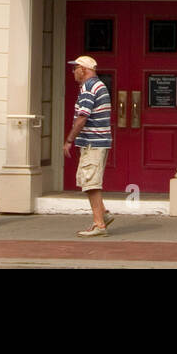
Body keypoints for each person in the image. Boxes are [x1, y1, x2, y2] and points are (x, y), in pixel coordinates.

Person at [64, 55, 115, 237]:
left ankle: (99, 224)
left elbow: (83, 117)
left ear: (84, 69)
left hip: (93, 141)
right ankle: (104, 214)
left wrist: (69, 140)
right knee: (88, 180)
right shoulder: (98, 85)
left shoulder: (88, 87)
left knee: (91, 183)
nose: (73, 72)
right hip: (97, 140)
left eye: (75, 68)